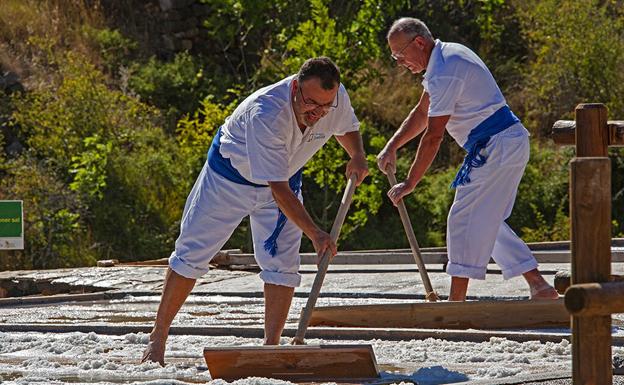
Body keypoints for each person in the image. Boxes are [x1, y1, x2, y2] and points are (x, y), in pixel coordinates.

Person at [142, 57, 369, 365]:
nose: (316, 113)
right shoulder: (266, 112)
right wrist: (315, 233)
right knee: (191, 253)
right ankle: (157, 339)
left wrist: (356, 154)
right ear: (294, 87)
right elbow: (279, 191)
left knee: (283, 264)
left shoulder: (335, 99)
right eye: (310, 103)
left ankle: (271, 346)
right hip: (229, 179)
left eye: (324, 107)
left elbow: (346, 127)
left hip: (284, 179)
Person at [377, 18, 558, 302]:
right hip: (505, 143)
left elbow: (433, 135)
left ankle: (456, 302)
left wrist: (410, 182)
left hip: (496, 145)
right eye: (394, 57)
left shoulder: (445, 70)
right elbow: (422, 112)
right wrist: (392, 146)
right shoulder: (446, 56)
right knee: (486, 219)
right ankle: (540, 286)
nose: (399, 63)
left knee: (463, 217)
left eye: (400, 55)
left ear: (419, 43)